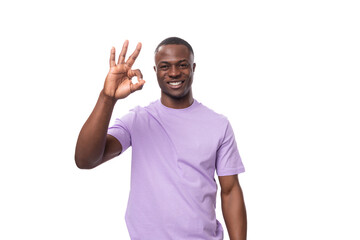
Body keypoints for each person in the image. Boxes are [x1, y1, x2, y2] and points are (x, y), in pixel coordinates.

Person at [75, 37, 247, 240]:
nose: (174, 73)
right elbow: (85, 160)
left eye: (182, 65)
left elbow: (230, 191)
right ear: (155, 71)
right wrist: (107, 97)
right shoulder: (138, 120)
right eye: (165, 66)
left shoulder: (218, 124)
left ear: (193, 67)